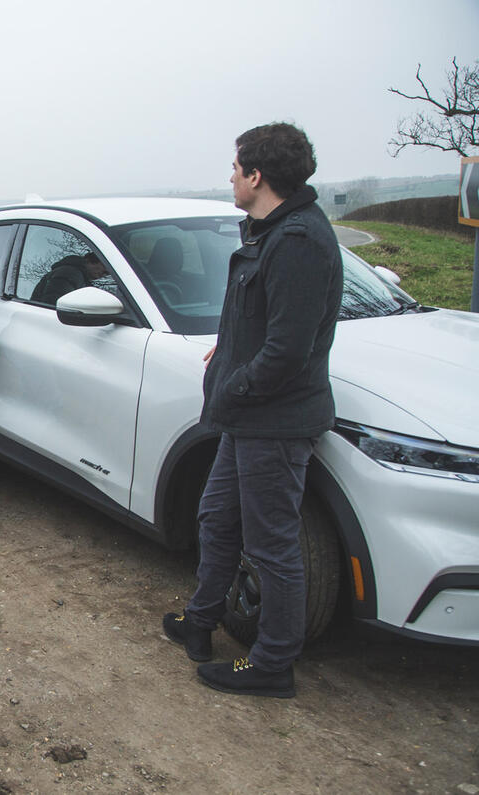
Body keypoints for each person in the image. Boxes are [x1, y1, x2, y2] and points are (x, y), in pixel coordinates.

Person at [162, 123, 343, 697]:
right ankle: (201, 619)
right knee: (216, 519)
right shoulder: (270, 233)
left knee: (272, 547)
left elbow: (288, 351)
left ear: (257, 175)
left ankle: (272, 664)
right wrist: (230, 347)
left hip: (273, 420)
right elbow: (265, 321)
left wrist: (233, 386)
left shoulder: (298, 242)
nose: (231, 177)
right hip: (247, 418)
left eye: (236, 168)